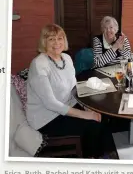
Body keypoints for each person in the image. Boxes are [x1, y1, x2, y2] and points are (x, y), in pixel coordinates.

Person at [26, 24, 118, 159]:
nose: (57, 43)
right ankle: (89, 160)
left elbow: (74, 89)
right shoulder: (39, 64)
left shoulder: (66, 58)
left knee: (101, 117)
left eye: (60, 38)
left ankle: (103, 156)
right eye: (51, 39)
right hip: (47, 118)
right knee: (91, 125)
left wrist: (87, 108)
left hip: (66, 108)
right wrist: (84, 114)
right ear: (44, 42)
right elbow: (51, 103)